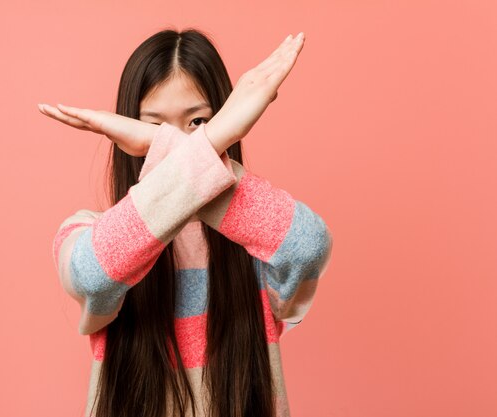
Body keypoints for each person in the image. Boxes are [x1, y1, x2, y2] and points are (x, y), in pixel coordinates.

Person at [39, 28, 333, 417]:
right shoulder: (87, 232)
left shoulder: (256, 243)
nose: (176, 141)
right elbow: (92, 276)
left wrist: (160, 146)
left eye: (198, 123)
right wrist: (214, 139)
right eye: (154, 127)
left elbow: (308, 246)